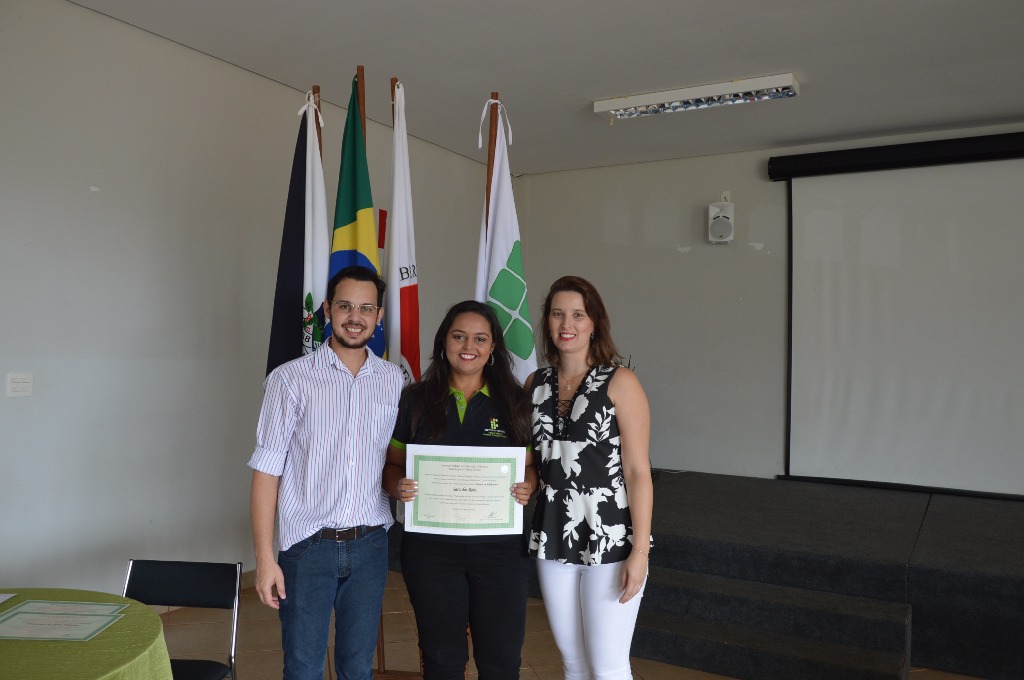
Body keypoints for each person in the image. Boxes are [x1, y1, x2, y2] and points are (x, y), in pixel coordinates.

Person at [248, 265, 403, 680]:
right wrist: (265, 558)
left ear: (379, 316)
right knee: (303, 668)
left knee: (358, 667)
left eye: (366, 308)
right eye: (346, 306)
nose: (356, 317)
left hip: (370, 546)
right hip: (306, 549)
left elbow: (399, 459)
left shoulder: (394, 382)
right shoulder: (289, 380)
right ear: (328, 309)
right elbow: (266, 473)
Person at [383, 300, 537, 680]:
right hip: (431, 552)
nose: (469, 346)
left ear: (493, 347)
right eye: (459, 336)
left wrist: (529, 486)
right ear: (444, 342)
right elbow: (391, 466)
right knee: (442, 660)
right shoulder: (415, 400)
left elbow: (531, 468)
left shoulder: (516, 402)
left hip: (501, 550)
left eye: (480, 338)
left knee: (501, 661)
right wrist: (397, 486)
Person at [526, 275, 654, 680]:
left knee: (608, 665)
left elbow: (638, 471)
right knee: (573, 663)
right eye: (557, 314)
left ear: (594, 322)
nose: (567, 323)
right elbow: (533, 462)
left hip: (610, 536)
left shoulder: (621, 382)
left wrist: (640, 551)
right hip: (553, 533)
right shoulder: (535, 384)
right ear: (547, 322)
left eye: (578, 315)